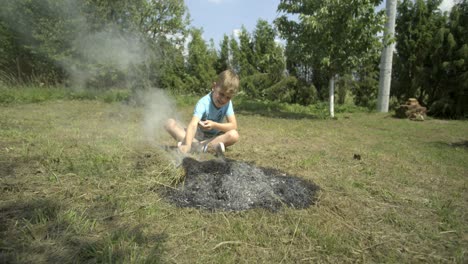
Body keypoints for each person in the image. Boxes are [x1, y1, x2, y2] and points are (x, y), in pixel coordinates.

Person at [164, 69, 240, 156]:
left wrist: (214, 125)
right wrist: (187, 145)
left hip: (213, 137)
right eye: (221, 94)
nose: (223, 99)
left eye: (228, 97)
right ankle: (199, 146)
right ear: (214, 86)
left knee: (234, 135)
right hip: (196, 136)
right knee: (169, 123)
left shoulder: (228, 103)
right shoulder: (203, 103)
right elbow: (193, 125)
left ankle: (199, 146)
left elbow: (233, 126)